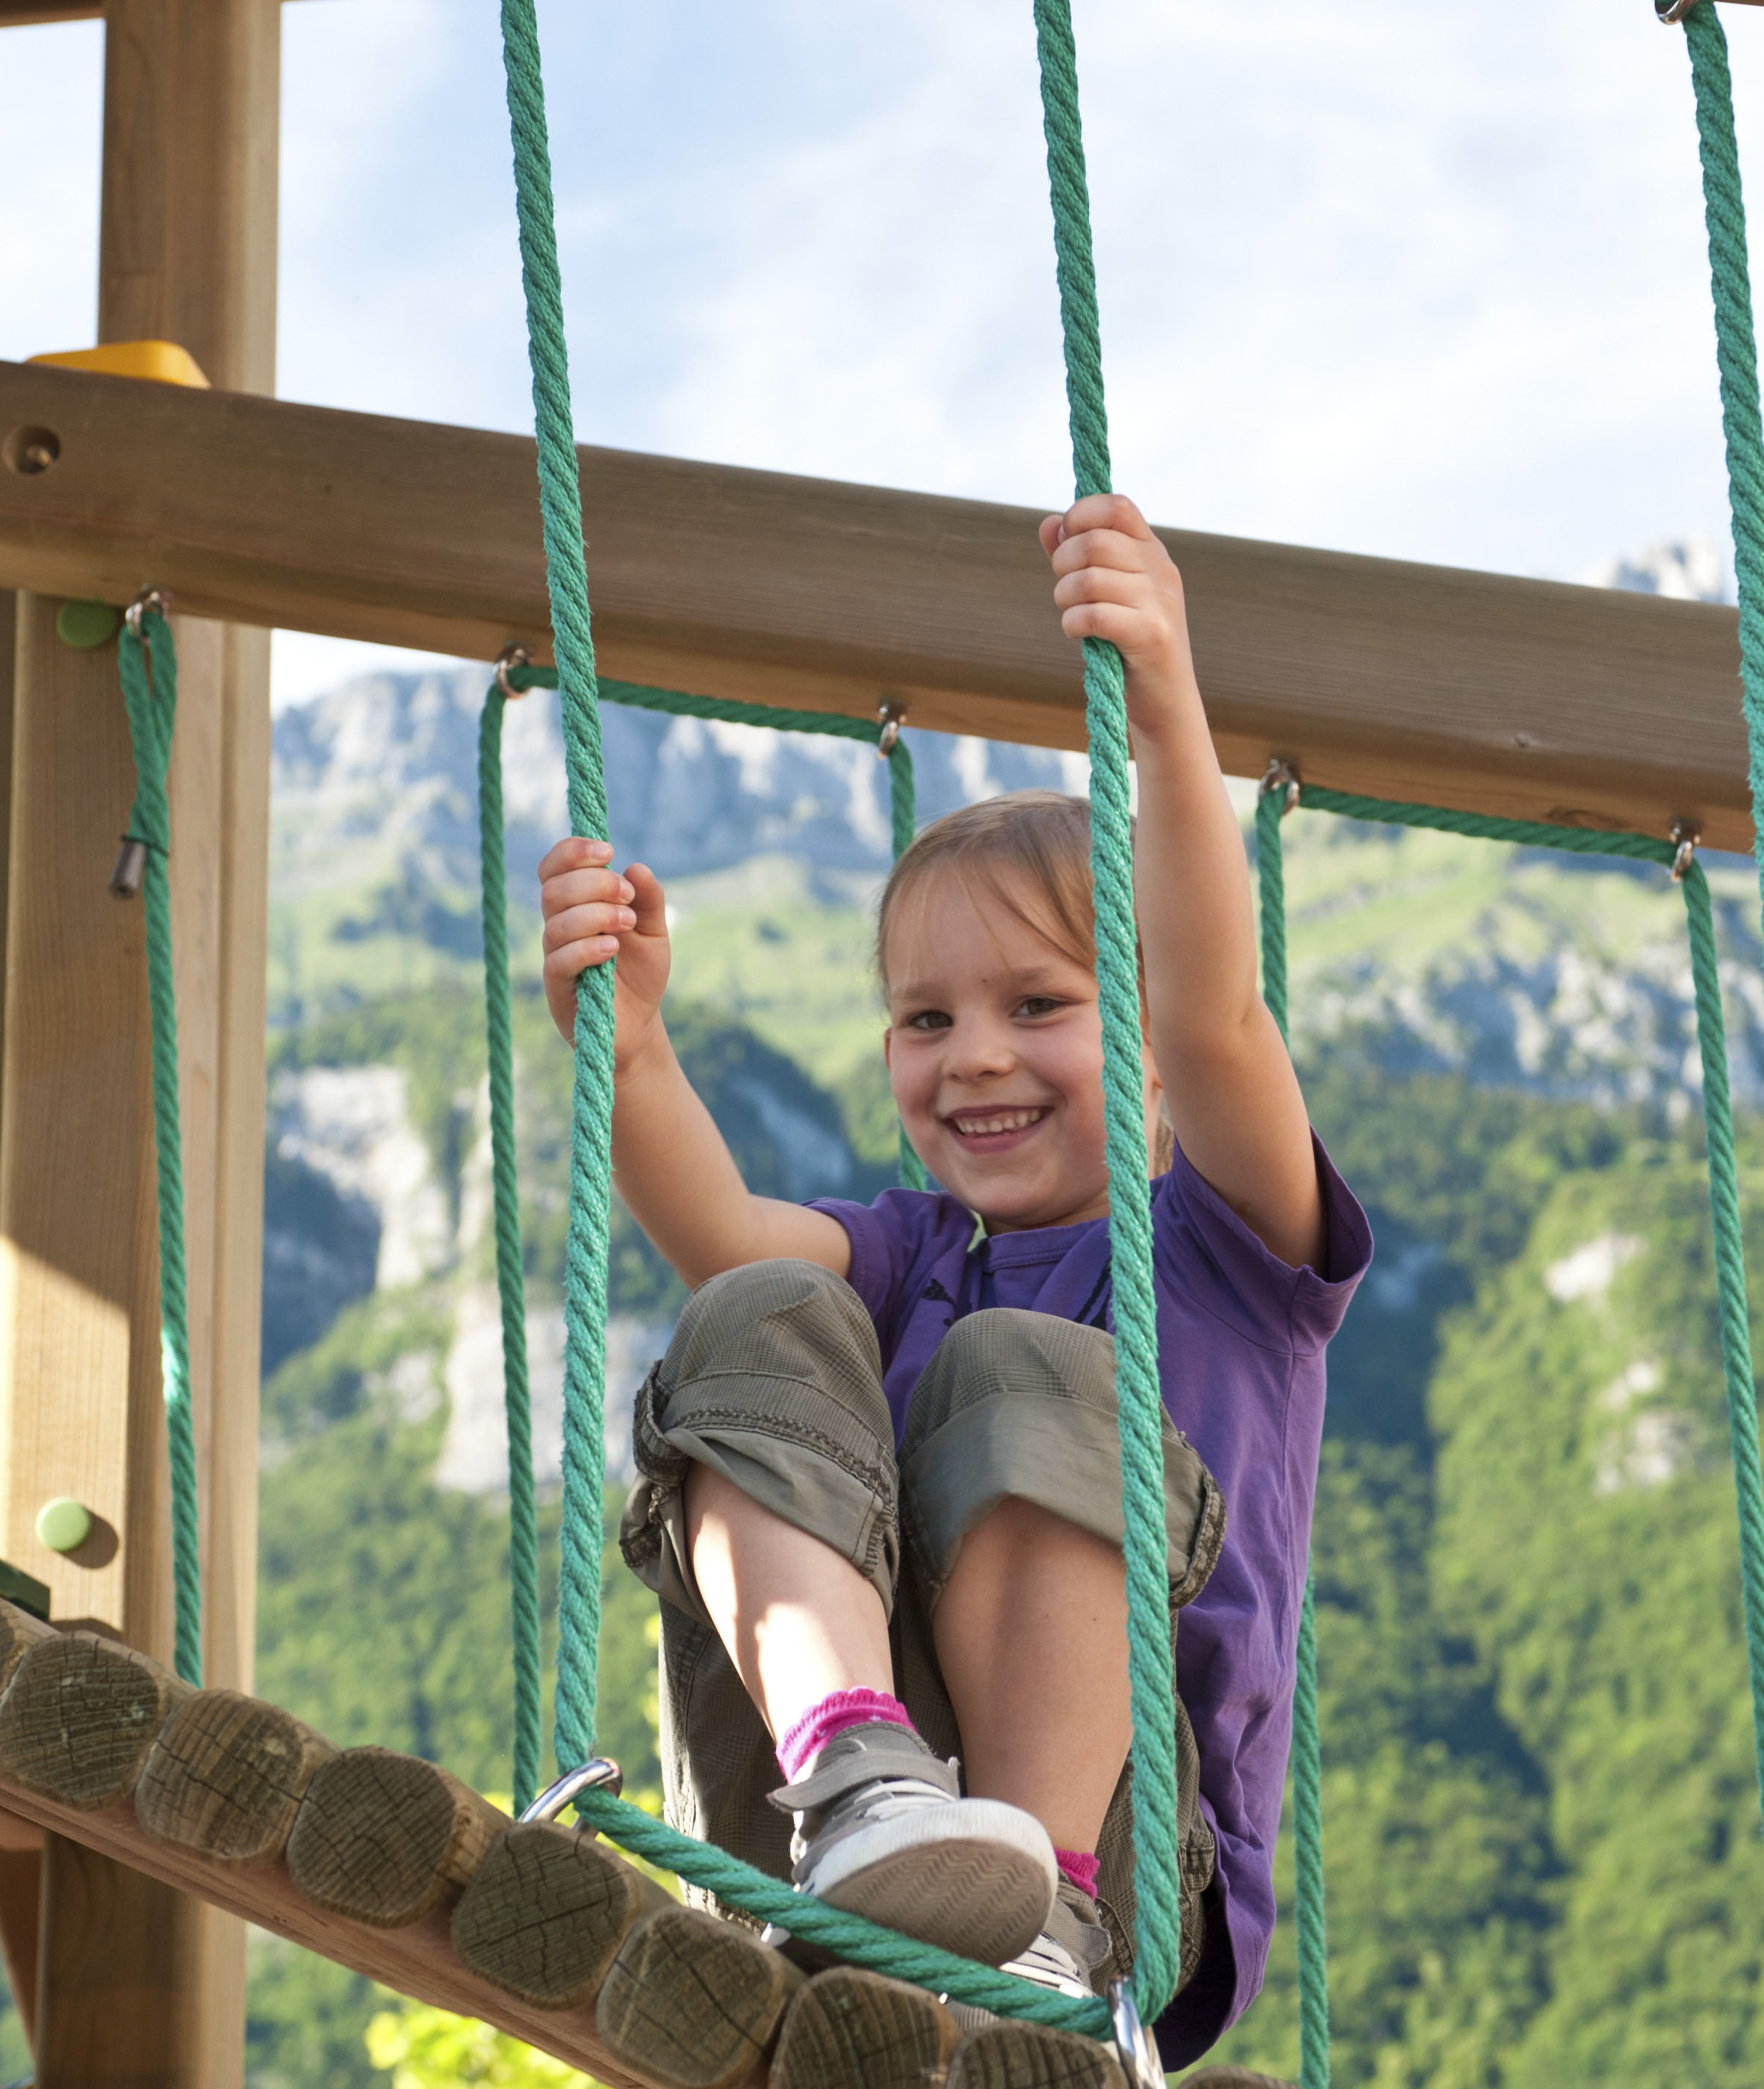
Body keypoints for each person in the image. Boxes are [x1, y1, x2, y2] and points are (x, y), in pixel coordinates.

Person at [536, 493, 1368, 2059]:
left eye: (1037, 1004)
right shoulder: (915, 1249)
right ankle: (854, 1766)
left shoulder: (1227, 1249)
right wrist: (630, 1046)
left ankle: (1032, 1905)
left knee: (1021, 1373)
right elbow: (719, 1236)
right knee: (753, 1317)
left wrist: (1168, 696)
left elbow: (1215, 1016)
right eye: (925, 1021)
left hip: (1114, 1881)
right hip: (811, 1839)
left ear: (1142, 1036)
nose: (974, 1056)